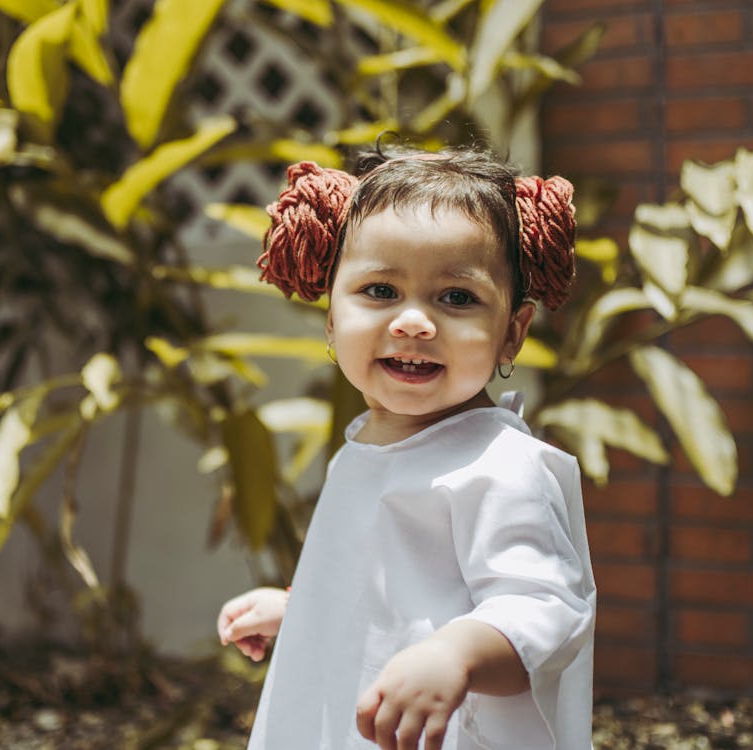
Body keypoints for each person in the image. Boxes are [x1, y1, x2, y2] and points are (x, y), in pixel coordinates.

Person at [216, 145, 596, 750]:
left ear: (511, 333)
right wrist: (303, 605)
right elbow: (390, 588)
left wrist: (456, 655)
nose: (414, 322)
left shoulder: (499, 468)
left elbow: (545, 610)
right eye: (380, 290)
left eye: (457, 298)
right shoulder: (362, 450)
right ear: (332, 320)